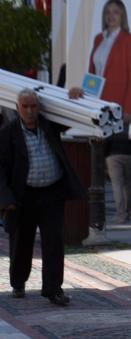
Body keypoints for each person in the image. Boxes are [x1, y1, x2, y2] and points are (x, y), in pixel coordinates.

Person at [0, 88, 86, 306]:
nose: (30, 111)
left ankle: (53, 289)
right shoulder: (7, 133)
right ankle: (18, 282)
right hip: (23, 196)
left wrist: (74, 97)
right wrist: (6, 198)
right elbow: (1, 169)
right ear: (18, 108)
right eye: (25, 106)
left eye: (34, 106)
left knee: (54, 241)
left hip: (51, 192)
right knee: (21, 241)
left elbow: (71, 117)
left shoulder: (50, 125)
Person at [88, 0, 131, 116]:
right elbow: (92, 72)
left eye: (115, 12)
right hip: (96, 103)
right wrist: (88, 100)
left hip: (117, 104)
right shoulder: (98, 39)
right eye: (107, 12)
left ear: (122, 16)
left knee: (116, 135)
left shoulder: (130, 40)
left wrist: (129, 110)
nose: (111, 15)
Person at [105, 113, 131, 224]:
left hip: (113, 156)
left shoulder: (114, 127)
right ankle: (128, 213)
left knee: (117, 185)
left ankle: (121, 215)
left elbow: (107, 141)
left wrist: (104, 157)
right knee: (128, 186)